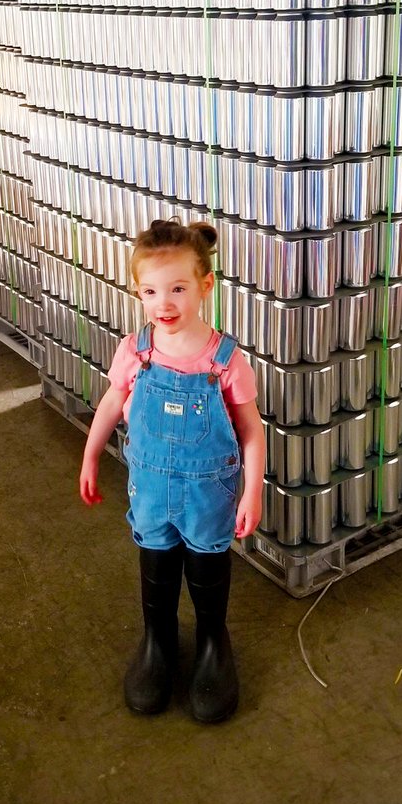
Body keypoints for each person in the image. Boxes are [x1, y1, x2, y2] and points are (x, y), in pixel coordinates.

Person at [79, 218, 266, 723]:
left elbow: (251, 430)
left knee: (207, 565)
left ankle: (212, 643)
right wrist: (91, 455)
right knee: (157, 564)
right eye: (150, 291)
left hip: (209, 495)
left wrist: (252, 492)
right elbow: (112, 402)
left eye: (178, 288)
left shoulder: (225, 361)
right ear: (138, 292)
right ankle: (157, 641)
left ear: (206, 286)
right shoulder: (135, 351)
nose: (164, 303)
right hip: (151, 491)